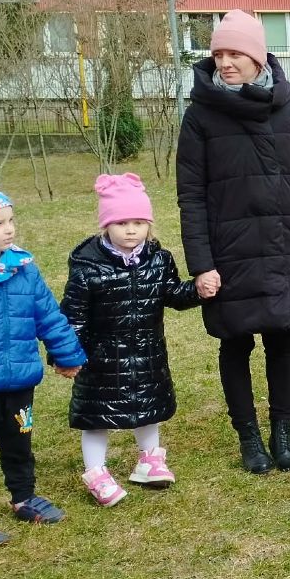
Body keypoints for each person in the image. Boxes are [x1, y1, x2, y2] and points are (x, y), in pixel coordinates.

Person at [176, 8, 290, 473]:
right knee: (235, 342)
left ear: (258, 57)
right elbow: (191, 196)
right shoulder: (200, 116)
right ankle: (249, 438)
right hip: (229, 253)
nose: (225, 62)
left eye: (236, 53)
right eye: (219, 54)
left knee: (282, 340)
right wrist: (202, 264)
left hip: (284, 245)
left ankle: (282, 435)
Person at [60, 174, 202, 507]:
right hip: (101, 359)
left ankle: (149, 460)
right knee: (96, 417)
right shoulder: (87, 267)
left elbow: (173, 294)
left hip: (147, 353)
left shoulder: (159, 259)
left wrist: (198, 290)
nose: (130, 230)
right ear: (106, 225)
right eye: (121, 223)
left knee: (148, 408)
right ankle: (96, 472)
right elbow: (73, 315)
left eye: (138, 222)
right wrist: (66, 354)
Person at [0, 186, 86, 544]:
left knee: (19, 444)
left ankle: (23, 496)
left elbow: (49, 317)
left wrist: (68, 355)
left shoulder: (24, 269)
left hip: (19, 380)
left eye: (11, 220)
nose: (9, 229)